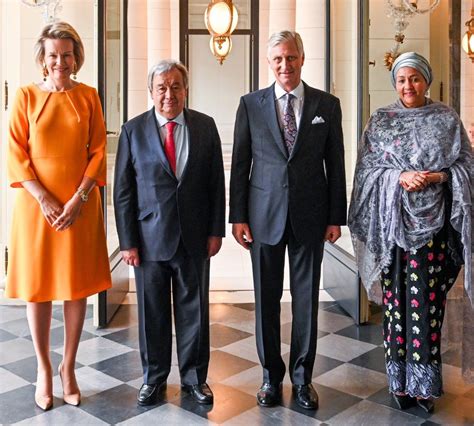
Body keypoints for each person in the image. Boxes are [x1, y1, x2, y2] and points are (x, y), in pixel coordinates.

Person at [348, 52, 473, 413]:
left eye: (415, 79)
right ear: (395, 83)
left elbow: (467, 166)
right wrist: (398, 176)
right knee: (395, 305)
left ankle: (425, 386)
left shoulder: (446, 119)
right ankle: (399, 382)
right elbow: (366, 171)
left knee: (427, 306)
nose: (408, 86)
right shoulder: (381, 121)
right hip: (393, 228)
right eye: (402, 80)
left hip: (434, 231)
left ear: (426, 81)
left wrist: (436, 176)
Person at [229, 30, 347, 410]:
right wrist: (238, 216)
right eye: (278, 58)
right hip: (263, 217)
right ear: (269, 62)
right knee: (266, 300)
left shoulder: (327, 105)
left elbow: (336, 164)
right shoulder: (250, 104)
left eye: (291, 57)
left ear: (302, 58)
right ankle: (269, 377)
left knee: (306, 300)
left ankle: (302, 379)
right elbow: (241, 163)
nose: (285, 65)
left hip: (310, 217)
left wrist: (335, 217)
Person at [6, 22, 112, 410]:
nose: (60, 62)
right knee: (38, 287)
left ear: (76, 57)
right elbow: (15, 152)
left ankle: (68, 367)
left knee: (75, 285)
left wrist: (78, 199)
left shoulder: (88, 96)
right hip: (36, 209)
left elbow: (98, 151)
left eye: (67, 54)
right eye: (53, 54)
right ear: (43, 57)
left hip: (79, 207)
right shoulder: (25, 96)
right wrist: (44, 199)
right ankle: (44, 369)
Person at [114, 60, 225, 407]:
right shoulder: (132, 131)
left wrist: (215, 231)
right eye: (161, 87)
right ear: (151, 91)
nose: (169, 94)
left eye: (176, 86)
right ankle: (154, 378)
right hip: (149, 240)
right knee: (152, 314)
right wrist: (127, 242)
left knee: (195, 312)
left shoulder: (205, 126)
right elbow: (123, 191)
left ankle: (195, 379)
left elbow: (216, 183)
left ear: (185, 90)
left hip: (194, 237)